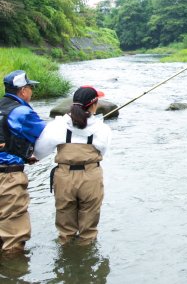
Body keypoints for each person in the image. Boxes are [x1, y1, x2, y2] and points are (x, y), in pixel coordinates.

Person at [34, 86, 111, 245]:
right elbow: (103, 152)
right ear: (94, 105)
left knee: (65, 228)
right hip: (91, 176)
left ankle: (66, 254)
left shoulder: (57, 125)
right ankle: (85, 256)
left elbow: (40, 151)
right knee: (88, 229)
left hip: (64, 177)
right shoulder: (102, 128)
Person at [0, 70, 46, 255]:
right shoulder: (22, 111)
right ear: (23, 90)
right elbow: (44, 134)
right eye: (30, 87)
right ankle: (14, 275)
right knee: (13, 233)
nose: (31, 92)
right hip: (8, 177)